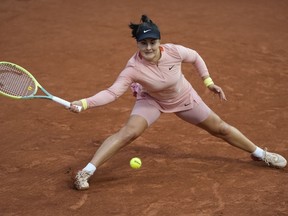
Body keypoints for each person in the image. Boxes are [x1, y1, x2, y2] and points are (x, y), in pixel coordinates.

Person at [69, 15, 287, 190]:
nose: (148, 48)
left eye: (152, 42)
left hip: (183, 97)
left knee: (220, 128)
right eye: (143, 44)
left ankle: (261, 154)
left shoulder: (174, 51)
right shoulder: (133, 68)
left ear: (159, 42)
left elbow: (195, 57)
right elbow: (112, 92)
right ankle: (86, 171)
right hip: (151, 100)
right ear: (137, 44)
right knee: (129, 133)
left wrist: (208, 81)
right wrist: (86, 103)